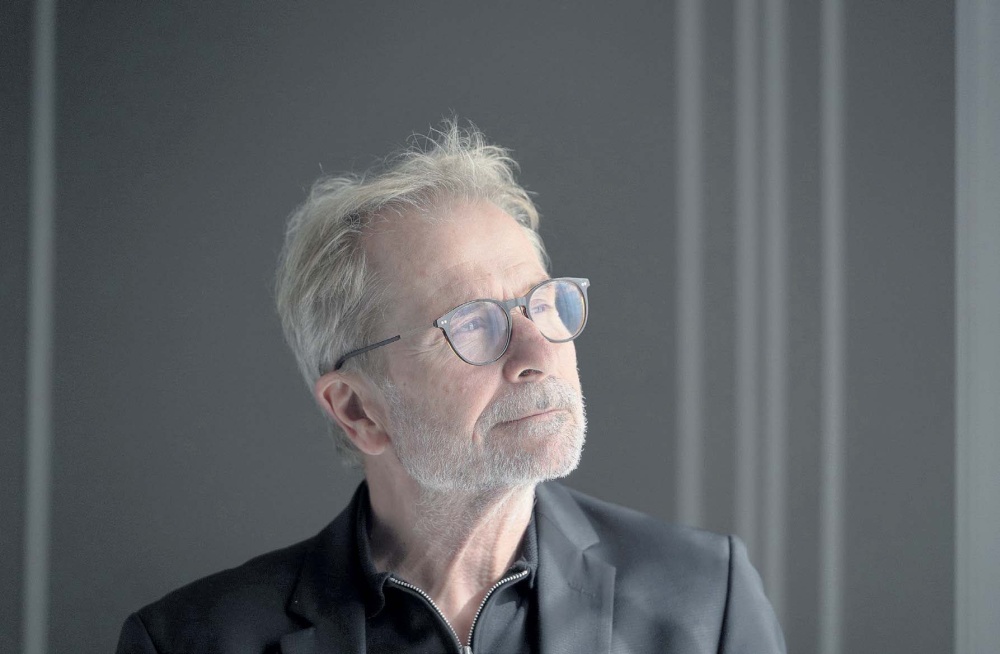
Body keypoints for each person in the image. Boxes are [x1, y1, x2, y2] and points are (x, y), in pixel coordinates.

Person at [116, 120, 785, 653]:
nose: (537, 355)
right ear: (358, 409)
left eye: (543, 304)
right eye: (472, 325)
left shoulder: (707, 598)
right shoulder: (189, 641)